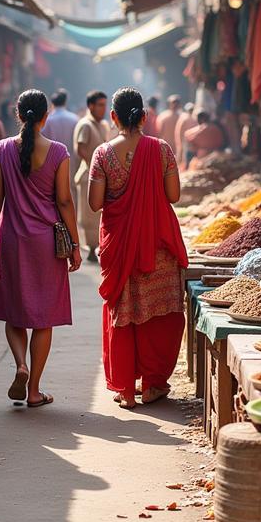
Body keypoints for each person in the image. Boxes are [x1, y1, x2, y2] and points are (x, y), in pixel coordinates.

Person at [89, 87, 188, 409]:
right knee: (157, 314)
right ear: (144, 117)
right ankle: (152, 385)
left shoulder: (102, 155)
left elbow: (94, 203)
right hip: (157, 246)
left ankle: (125, 389)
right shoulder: (161, 150)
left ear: (113, 117)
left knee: (126, 313)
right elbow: (173, 196)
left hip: (119, 247)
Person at [0, 89, 80, 408]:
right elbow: (64, 201)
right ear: (45, 116)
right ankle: (35, 389)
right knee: (43, 316)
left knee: (15, 311)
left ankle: (20, 365)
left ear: (18, 114)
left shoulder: (1, 149)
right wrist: (76, 246)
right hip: (46, 243)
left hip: (10, 238)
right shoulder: (58, 152)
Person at [73, 90, 110, 263]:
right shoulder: (85, 124)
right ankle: (91, 247)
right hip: (88, 173)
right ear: (91, 106)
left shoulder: (102, 125)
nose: (103, 109)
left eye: (105, 105)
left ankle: (99, 246)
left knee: (98, 214)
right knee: (88, 214)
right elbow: (80, 148)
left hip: (101, 174)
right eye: (100, 105)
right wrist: (93, 163)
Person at [175, 102, 197, 167]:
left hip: (192, 144)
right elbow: (179, 132)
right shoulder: (184, 118)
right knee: (185, 162)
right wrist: (180, 145)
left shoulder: (194, 118)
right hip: (186, 144)